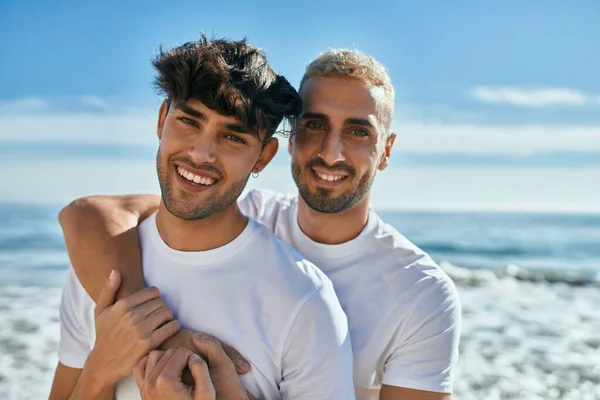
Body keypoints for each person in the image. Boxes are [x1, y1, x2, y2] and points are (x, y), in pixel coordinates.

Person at [59, 49, 461, 400]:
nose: (331, 152)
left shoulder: (419, 292)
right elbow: (91, 215)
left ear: (386, 150)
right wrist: (150, 333)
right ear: (288, 140)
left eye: (358, 132)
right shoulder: (236, 208)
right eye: (315, 125)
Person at [48, 36, 355, 400]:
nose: (200, 153)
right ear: (162, 119)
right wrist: (101, 369)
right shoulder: (105, 267)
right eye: (189, 121)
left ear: (263, 157)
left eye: (233, 137)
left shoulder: (304, 301)